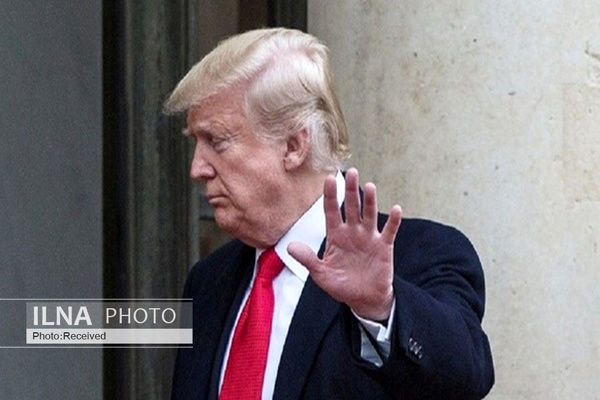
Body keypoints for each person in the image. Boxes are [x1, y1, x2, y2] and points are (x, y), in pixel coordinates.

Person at [164, 27, 494, 400]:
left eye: (217, 141)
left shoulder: (418, 255)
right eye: (196, 143)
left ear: (293, 146)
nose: (197, 169)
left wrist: (381, 308)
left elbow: (467, 378)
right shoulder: (209, 280)